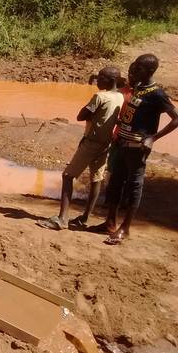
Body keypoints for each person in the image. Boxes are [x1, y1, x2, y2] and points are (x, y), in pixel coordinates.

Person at [102, 54, 178, 244]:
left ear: (150, 71)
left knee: (134, 186)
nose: (134, 70)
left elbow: (176, 118)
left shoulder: (157, 94)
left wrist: (153, 138)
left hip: (137, 147)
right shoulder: (137, 88)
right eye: (134, 66)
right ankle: (110, 222)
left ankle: (125, 229)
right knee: (115, 183)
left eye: (139, 68)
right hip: (121, 143)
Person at [37, 67, 124, 231]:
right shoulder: (119, 96)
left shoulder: (100, 96)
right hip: (106, 144)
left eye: (101, 78)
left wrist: (92, 114)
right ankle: (84, 218)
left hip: (91, 142)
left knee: (68, 175)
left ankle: (62, 219)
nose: (97, 80)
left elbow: (81, 116)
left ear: (110, 80)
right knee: (96, 179)